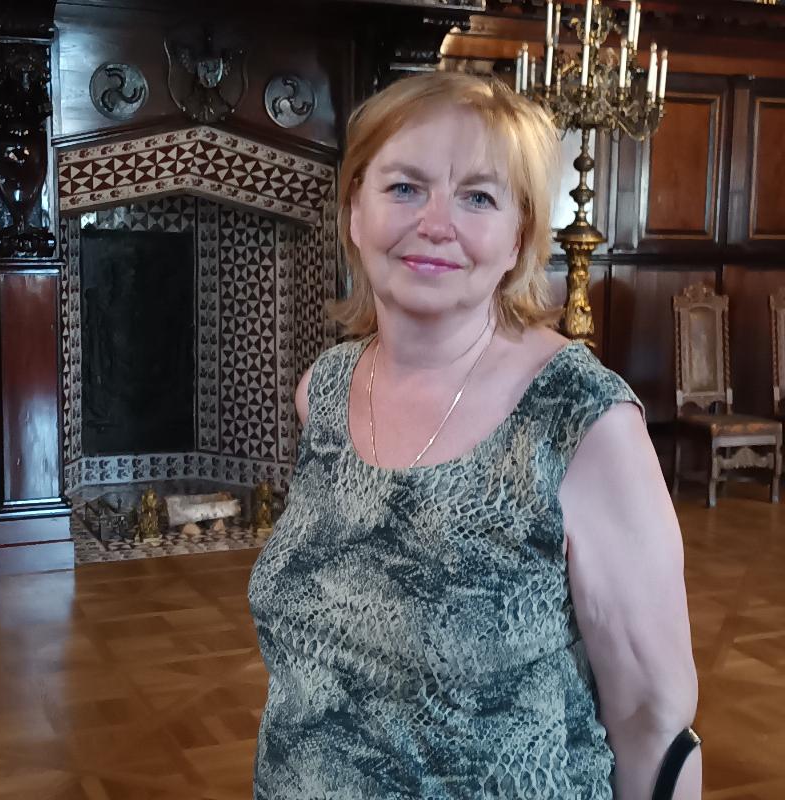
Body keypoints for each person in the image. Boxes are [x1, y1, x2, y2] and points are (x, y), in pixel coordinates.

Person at [248, 71, 700, 799]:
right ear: (355, 211)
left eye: (478, 197)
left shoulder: (582, 421)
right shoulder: (323, 391)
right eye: (405, 187)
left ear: (518, 235)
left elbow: (656, 720)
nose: (437, 224)